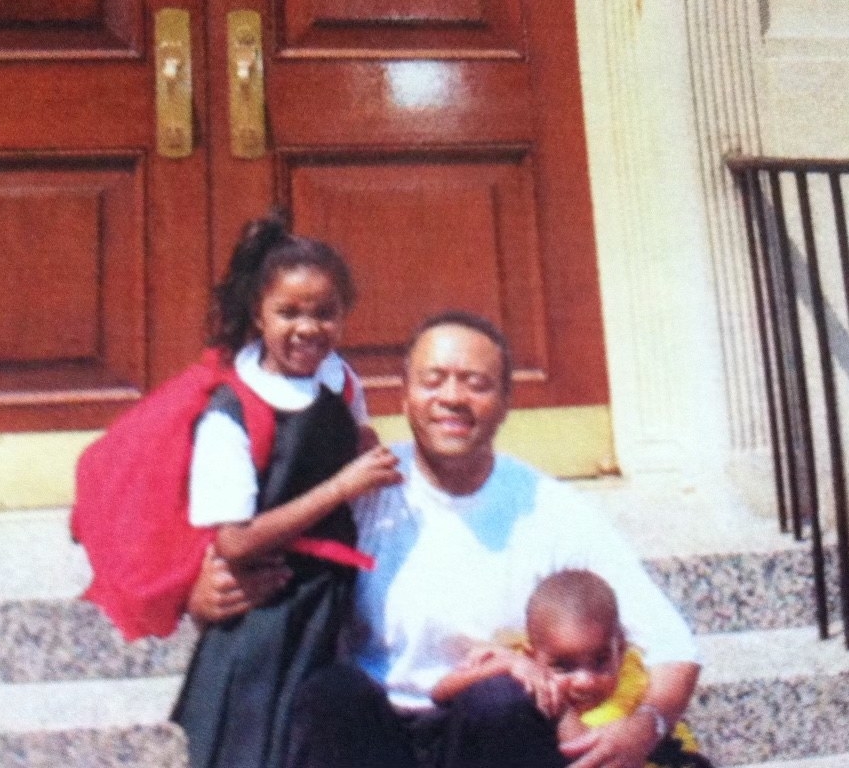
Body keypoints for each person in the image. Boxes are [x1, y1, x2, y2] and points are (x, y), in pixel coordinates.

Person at [191, 310, 702, 768]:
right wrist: (203, 595)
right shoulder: (364, 486)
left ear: (506, 401)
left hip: (485, 736)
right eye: (433, 381)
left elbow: (672, 643)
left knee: (502, 700)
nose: (452, 399)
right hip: (376, 732)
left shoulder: (549, 508)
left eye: (476, 383)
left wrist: (647, 726)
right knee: (328, 697)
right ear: (406, 395)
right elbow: (249, 548)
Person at [170, 213, 403, 768]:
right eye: (289, 312)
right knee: (257, 742)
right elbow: (235, 541)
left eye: (325, 313)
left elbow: (354, 440)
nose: (308, 328)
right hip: (268, 606)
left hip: (330, 597)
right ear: (258, 313)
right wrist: (339, 487)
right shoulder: (235, 412)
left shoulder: (340, 378)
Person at [430, 569, 711, 768]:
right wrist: (503, 664)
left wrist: (563, 710)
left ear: (621, 648)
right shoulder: (524, 660)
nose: (585, 681)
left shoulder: (627, 685)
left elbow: (586, 755)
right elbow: (440, 693)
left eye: (600, 660)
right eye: (564, 667)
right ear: (533, 654)